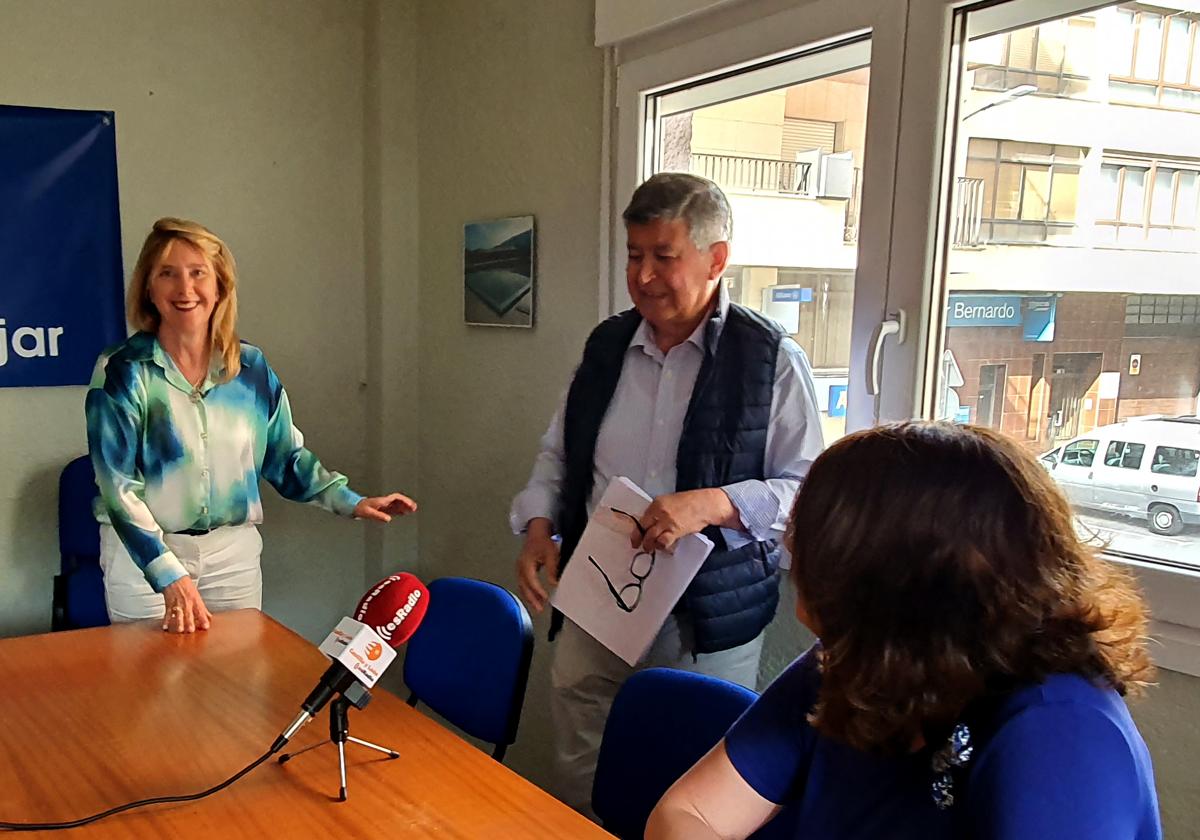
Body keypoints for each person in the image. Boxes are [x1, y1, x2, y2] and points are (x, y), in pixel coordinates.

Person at [646, 421, 1161, 840]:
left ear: (890, 581)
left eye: (811, 537)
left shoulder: (1061, 735)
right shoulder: (860, 658)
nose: (791, 549)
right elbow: (689, 813)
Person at [510, 173, 824, 814]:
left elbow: (810, 490)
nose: (644, 275)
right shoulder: (604, 348)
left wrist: (715, 503)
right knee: (581, 763)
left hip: (703, 619)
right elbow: (559, 456)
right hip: (596, 596)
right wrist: (539, 526)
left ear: (717, 259)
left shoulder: (771, 361)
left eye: (663, 256)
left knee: (688, 789)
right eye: (634, 255)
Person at [86, 218, 416, 634]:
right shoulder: (122, 370)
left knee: (235, 686)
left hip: (232, 557)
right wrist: (167, 573)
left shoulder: (251, 368)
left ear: (220, 285)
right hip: (144, 559)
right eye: (167, 274)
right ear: (148, 288)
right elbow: (118, 487)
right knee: (152, 689)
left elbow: (285, 457)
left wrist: (349, 500)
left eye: (197, 273)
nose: (184, 289)